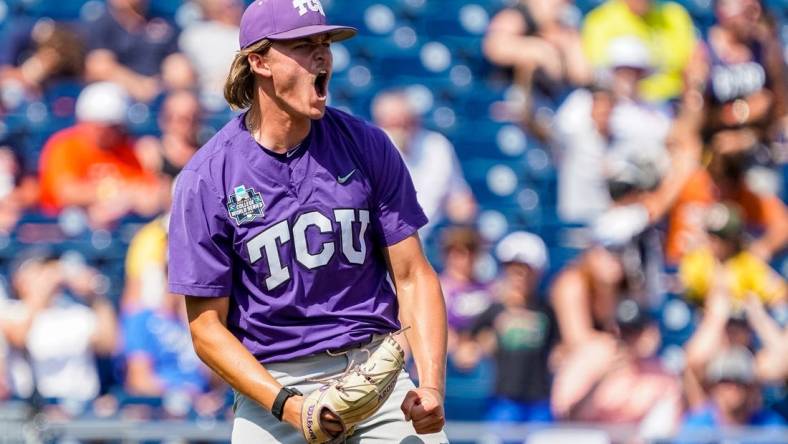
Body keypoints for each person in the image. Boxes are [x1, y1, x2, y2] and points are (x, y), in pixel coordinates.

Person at [167, 1, 448, 442]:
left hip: (375, 372)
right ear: (258, 61)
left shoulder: (367, 145)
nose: (322, 56)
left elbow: (413, 275)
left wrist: (430, 384)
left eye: (325, 44)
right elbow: (206, 329)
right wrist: (289, 406)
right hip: (275, 385)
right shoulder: (207, 178)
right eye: (303, 45)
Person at [551, 299, 683, 439]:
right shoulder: (590, 355)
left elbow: (664, 429)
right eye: (624, 330)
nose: (628, 338)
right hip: (588, 436)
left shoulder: (661, 371)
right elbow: (567, 417)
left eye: (635, 331)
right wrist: (601, 380)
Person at [37, 82, 163, 227]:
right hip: (67, 230)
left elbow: (150, 196)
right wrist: (114, 194)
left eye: (116, 127)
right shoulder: (66, 145)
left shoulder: (131, 149)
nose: (114, 132)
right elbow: (66, 193)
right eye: (107, 127)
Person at [470, 231, 558, 423]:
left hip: (540, 399)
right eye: (514, 269)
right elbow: (470, 342)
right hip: (504, 399)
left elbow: (558, 347)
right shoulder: (493, 310)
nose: (520, 277)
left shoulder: (547, 310)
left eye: (526, 270)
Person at [371, 90, 476, 238]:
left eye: (406, 121)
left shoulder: (436, 145)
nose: (401, 128)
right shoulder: (371, 149)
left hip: (433, 234)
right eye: (393, 123)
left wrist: (463, 215)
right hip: (386, 239)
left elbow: (458, 197)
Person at [581, 0, 698, 103]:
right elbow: (598, 75)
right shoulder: (599, 20)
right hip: (621, 104)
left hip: (672, 103)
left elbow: (695, 64)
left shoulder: (674, 15)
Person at [83, 0, 195, 101]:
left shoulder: (163, 21)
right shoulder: (100, 24)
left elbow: (178, 65)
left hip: (158, 90)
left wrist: (158, 85)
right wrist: (137, 86)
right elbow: (98, 66)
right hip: (117, 96)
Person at [179, 0, 244, 99]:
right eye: (228, 6)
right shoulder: (195, 34)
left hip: (238, 89)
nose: (233, 10)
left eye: (236, 4)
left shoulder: (246, 35)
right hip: (200, 93)